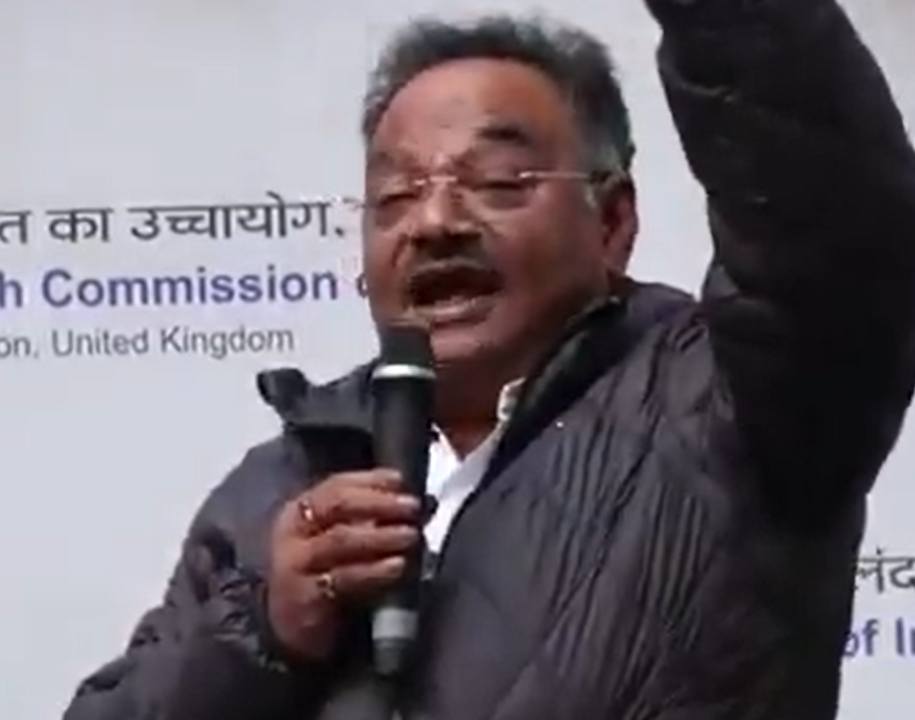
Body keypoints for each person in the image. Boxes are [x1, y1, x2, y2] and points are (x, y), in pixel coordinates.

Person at [63, 1, 915, 718]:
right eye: (396, 193)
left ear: (612, 222)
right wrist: (263, 630)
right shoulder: (280, 483)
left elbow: (834, 225)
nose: (435, 222)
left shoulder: (733, 403)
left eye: (501, 181)